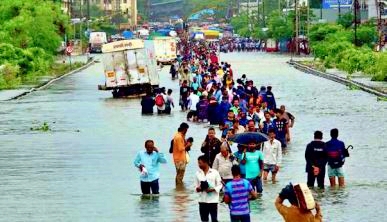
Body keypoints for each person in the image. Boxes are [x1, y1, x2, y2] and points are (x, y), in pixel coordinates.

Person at [194, 155, 223, 222]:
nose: (199, 165)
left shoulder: (215, 172)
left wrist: (212, 189)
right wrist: (199, 188)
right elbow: (195, 187)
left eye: (200, 163)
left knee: (214, 219)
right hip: (202, 200)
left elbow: (220, 185)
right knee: (204, 220)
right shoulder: (197, 173)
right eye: (198, 163)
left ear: (205, 162)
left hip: (213, 200)